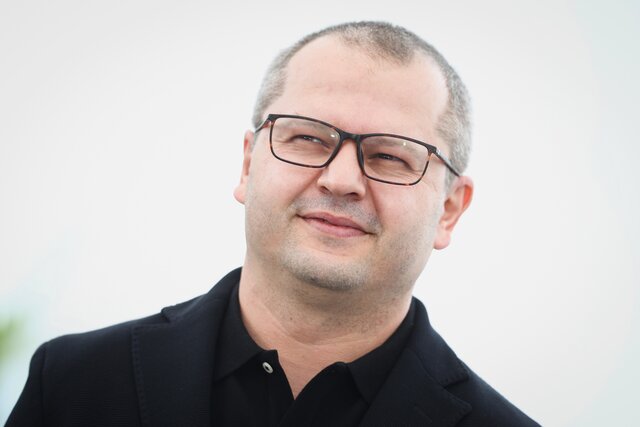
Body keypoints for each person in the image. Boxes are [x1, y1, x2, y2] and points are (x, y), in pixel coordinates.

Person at [7, 21, 539, 426]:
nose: (340, 180)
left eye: (390, 156)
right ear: (247, 164)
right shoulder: (71, 383)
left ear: (450, 209)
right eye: (307, 137)